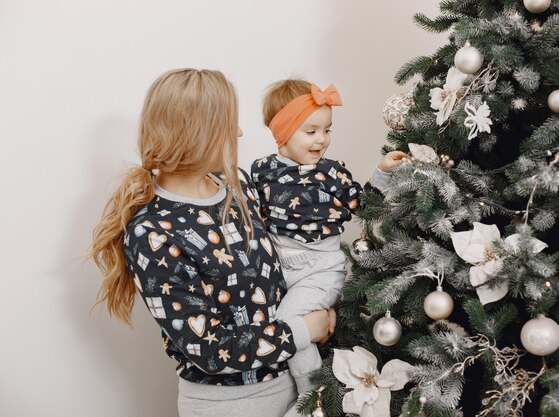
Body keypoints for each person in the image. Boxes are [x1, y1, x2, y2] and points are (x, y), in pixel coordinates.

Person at [90, 69, 333, 417]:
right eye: (228, 122)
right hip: (230, 406)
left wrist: (315, 303)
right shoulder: (154, 233)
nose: (240, 131)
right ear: (196, 132)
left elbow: (279, 269)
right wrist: (301, 330)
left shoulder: (239, 186)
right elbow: (208, 350)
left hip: (295, 387)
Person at [250, 79, 406, 395]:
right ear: (282, 132)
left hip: (319, 271)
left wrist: (383, 171)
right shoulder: (261, 171)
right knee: (266, 323)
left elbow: (362, 204)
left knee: (288, 322)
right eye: (311, 131)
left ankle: (313, 393)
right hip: (279, 271)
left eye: (327, 130)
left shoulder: (330, 173)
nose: (322, 139)